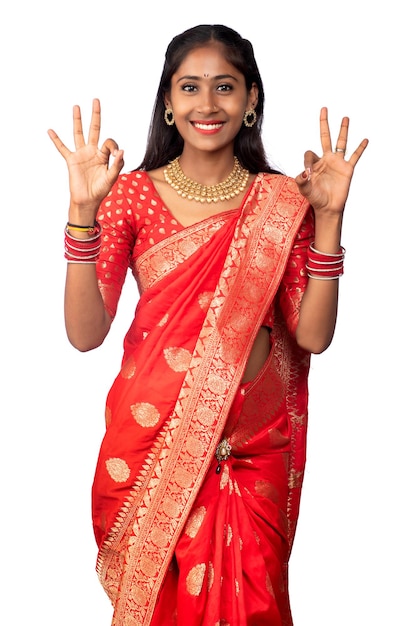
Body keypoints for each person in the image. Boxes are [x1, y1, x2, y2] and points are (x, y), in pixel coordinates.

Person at [48, 23, 368, 626]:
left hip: (252, 455)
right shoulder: (132, 195)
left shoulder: (282, 200)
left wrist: (329, 220)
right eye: (190, 87)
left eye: (225, 86)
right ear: (168, 102)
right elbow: (86, 332)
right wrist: (82, 214)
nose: (207, 103)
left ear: (251, 99)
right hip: (151, 446)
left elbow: (312, 335)